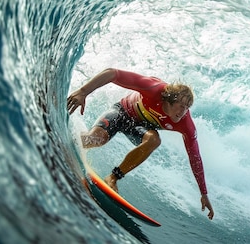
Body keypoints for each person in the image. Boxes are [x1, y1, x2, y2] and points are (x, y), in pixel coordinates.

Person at [67, 68, 214, 220]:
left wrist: (204, 193)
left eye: (187, 108)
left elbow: (195, 156)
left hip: (138, 127)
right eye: (181, 106)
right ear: (169, 100)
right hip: (122, 112)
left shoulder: (186, 125)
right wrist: (83, 92)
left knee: (154, 140)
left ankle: (113, 178)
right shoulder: (154, 89)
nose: (184, 112)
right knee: (95, 140)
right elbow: (113, 73)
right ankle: (67, 138)